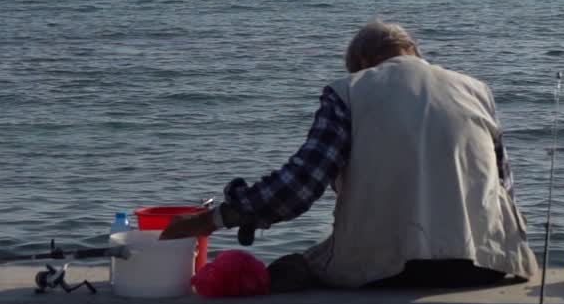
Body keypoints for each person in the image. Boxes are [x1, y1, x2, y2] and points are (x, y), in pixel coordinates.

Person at [161, 20, 537, 290]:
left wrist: (213, 219)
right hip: (485, 267)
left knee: (287, 271)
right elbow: (504, 187)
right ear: (415, 51)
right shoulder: (476, 90)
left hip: (391, 271)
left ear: (361, 62)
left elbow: (300, 187)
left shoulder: (349, 92)